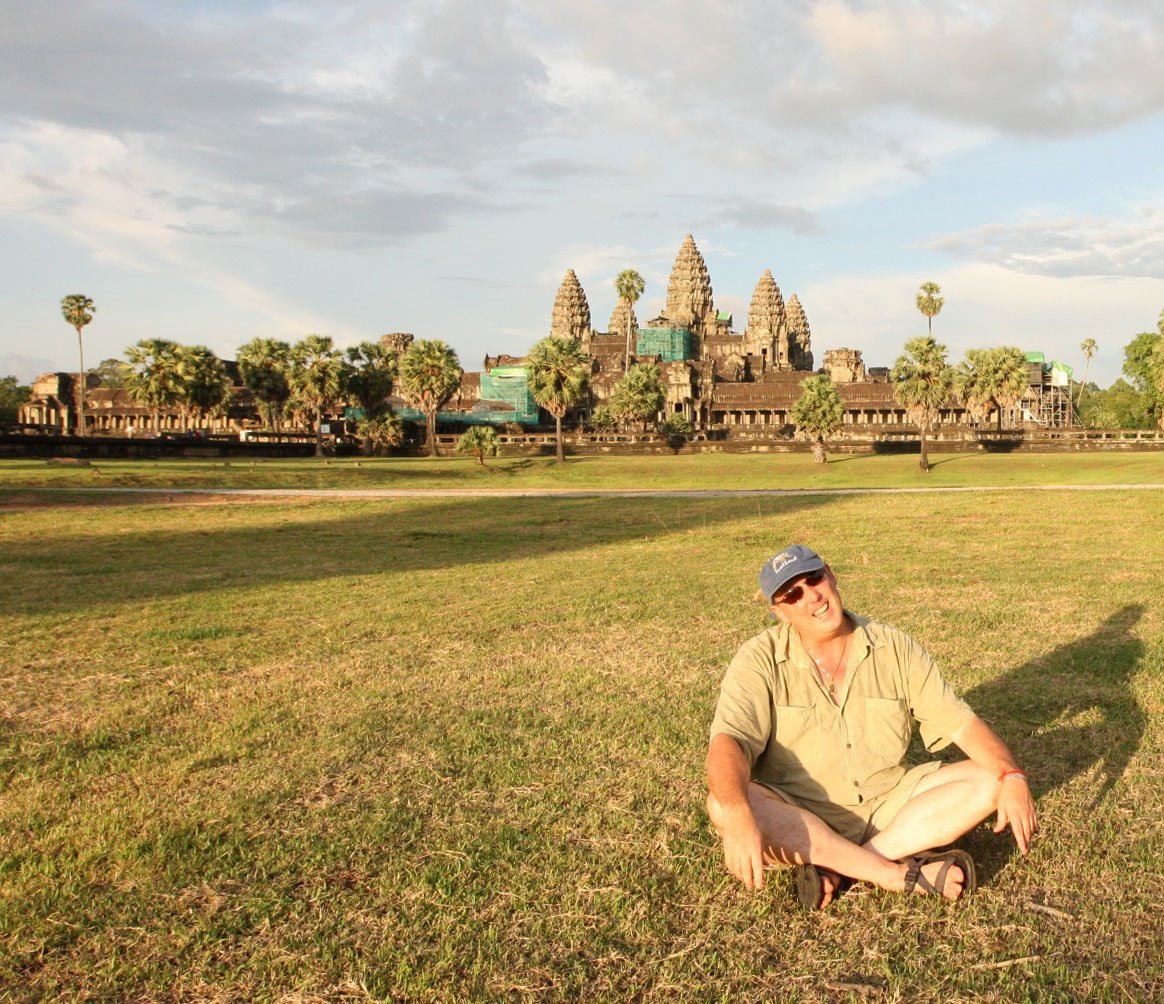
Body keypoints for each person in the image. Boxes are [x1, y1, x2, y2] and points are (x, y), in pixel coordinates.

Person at [706, 544, 1037, 909]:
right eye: (793, 595)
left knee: (991, 778)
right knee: (723, 804)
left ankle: (842, 868)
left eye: (814, 578)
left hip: (890, 804)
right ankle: (893, 874)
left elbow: (960, 723)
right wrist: (738, 814)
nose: (812, 596)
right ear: (778, 612)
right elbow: (729, 743)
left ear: (831, 575)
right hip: (801, 813)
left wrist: (1012, 775)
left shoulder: (893, 646)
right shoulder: (758, 659)